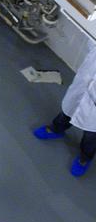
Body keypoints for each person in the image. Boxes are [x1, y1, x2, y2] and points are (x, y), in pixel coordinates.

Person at [33, 43, 96, 177]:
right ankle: (57, 129)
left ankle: (85, 158)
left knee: (92, 131)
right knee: (70, 107)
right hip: (87, 76)